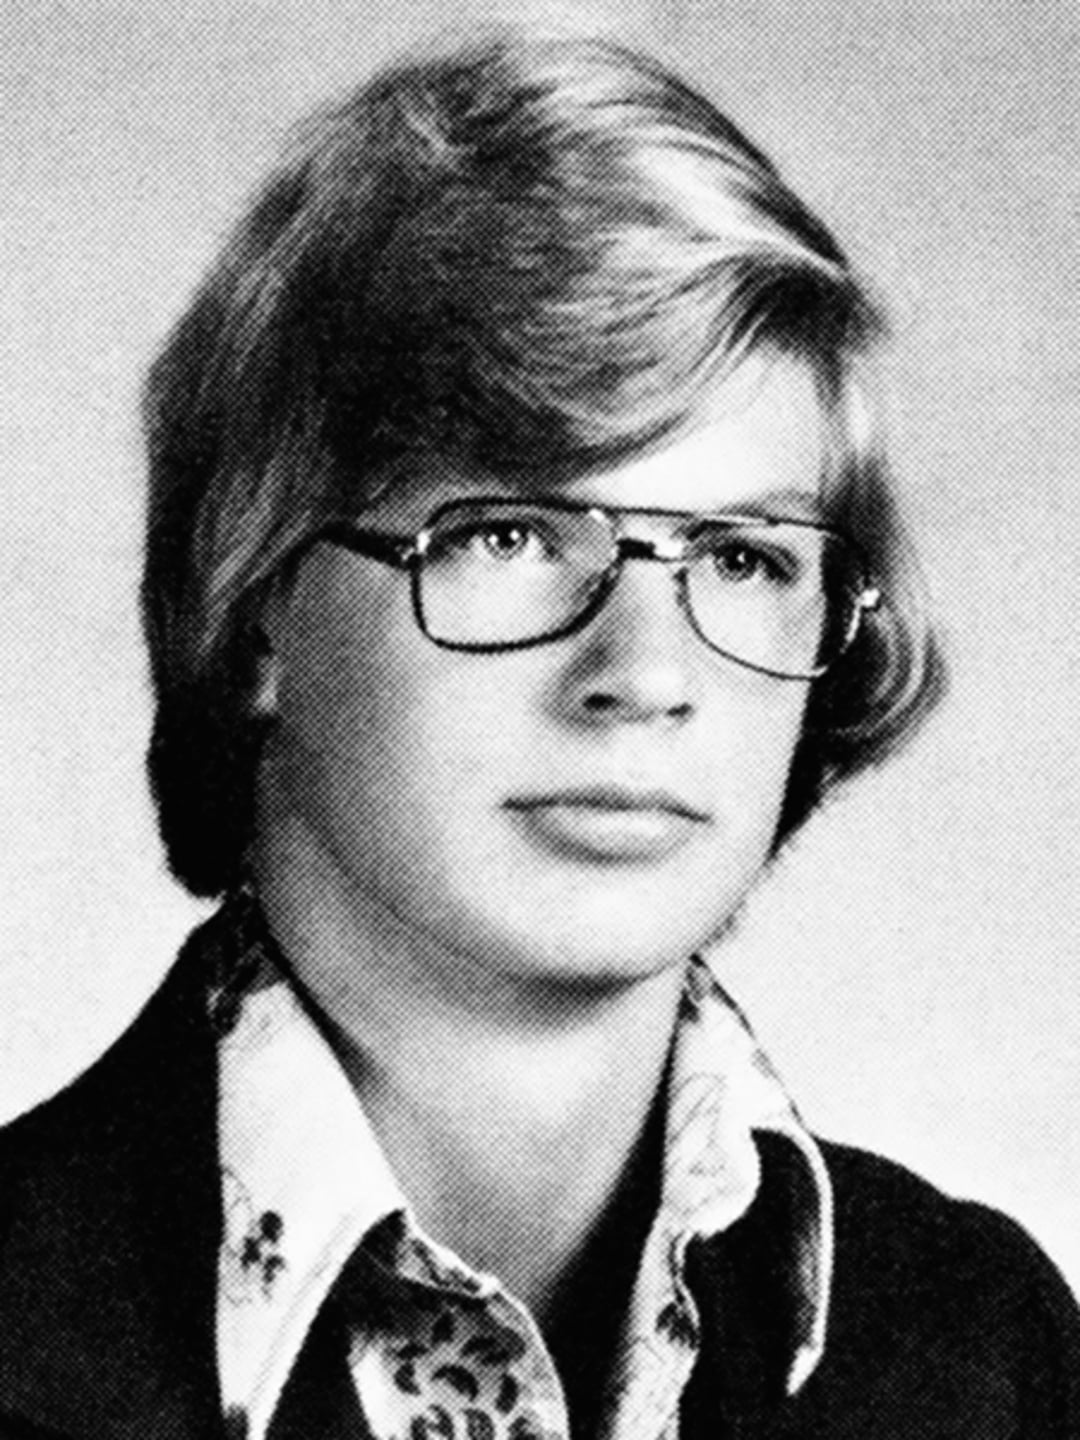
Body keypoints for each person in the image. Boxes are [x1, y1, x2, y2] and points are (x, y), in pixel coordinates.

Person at [0, 26, 1076, 1440]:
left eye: (743, 558)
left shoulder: (986, 1351)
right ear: (259, 609)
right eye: (506, 531)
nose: (646, 670)